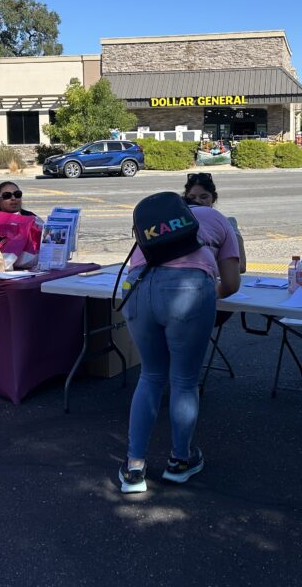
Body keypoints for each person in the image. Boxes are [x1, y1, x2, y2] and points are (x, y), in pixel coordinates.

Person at [118, 191, 242, 494]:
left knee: (150, 375)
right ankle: (179, 462)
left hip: (136, 287)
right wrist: (206, 297)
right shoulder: (219, 220)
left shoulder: (157, 223)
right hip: (188, 288)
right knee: (184, 381)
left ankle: (134, 469)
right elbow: (232, 283)